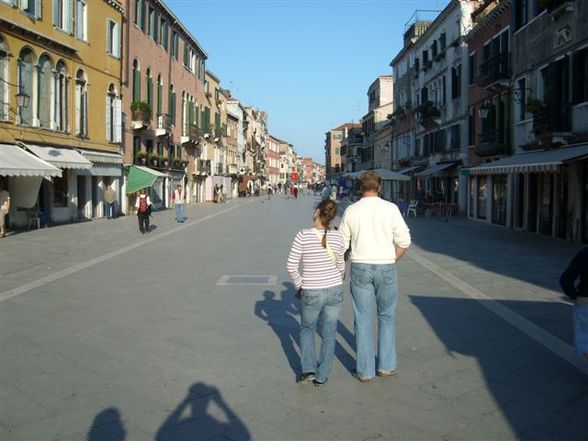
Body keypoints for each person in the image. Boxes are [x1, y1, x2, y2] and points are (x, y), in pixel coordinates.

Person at [339, 171, 411, 382]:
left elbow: (342, 244)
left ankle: (365, 371)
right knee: (386, 316)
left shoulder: (351, 211)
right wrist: (391, 258)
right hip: (386, 266)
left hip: (360, 266)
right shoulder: (391, 209)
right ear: (379, 188)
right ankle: (386, 366)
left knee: (362, 319)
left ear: (361, 187)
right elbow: (405, 241)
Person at [286, 199, 346, 387]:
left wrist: (300, 284)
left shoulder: (303, 235)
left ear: (317, 212)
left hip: (311, 290)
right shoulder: (338, 237)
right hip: (335, 288)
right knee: (329, 332)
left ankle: (308, 370)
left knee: (307, 329)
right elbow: (341, 266)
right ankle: (322, 374)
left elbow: (291, 266)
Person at [560, 247, 588, 358]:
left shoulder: (584, 253)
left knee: (586, 342)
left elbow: (565, 279)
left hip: (585, 301)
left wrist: (574, 296)